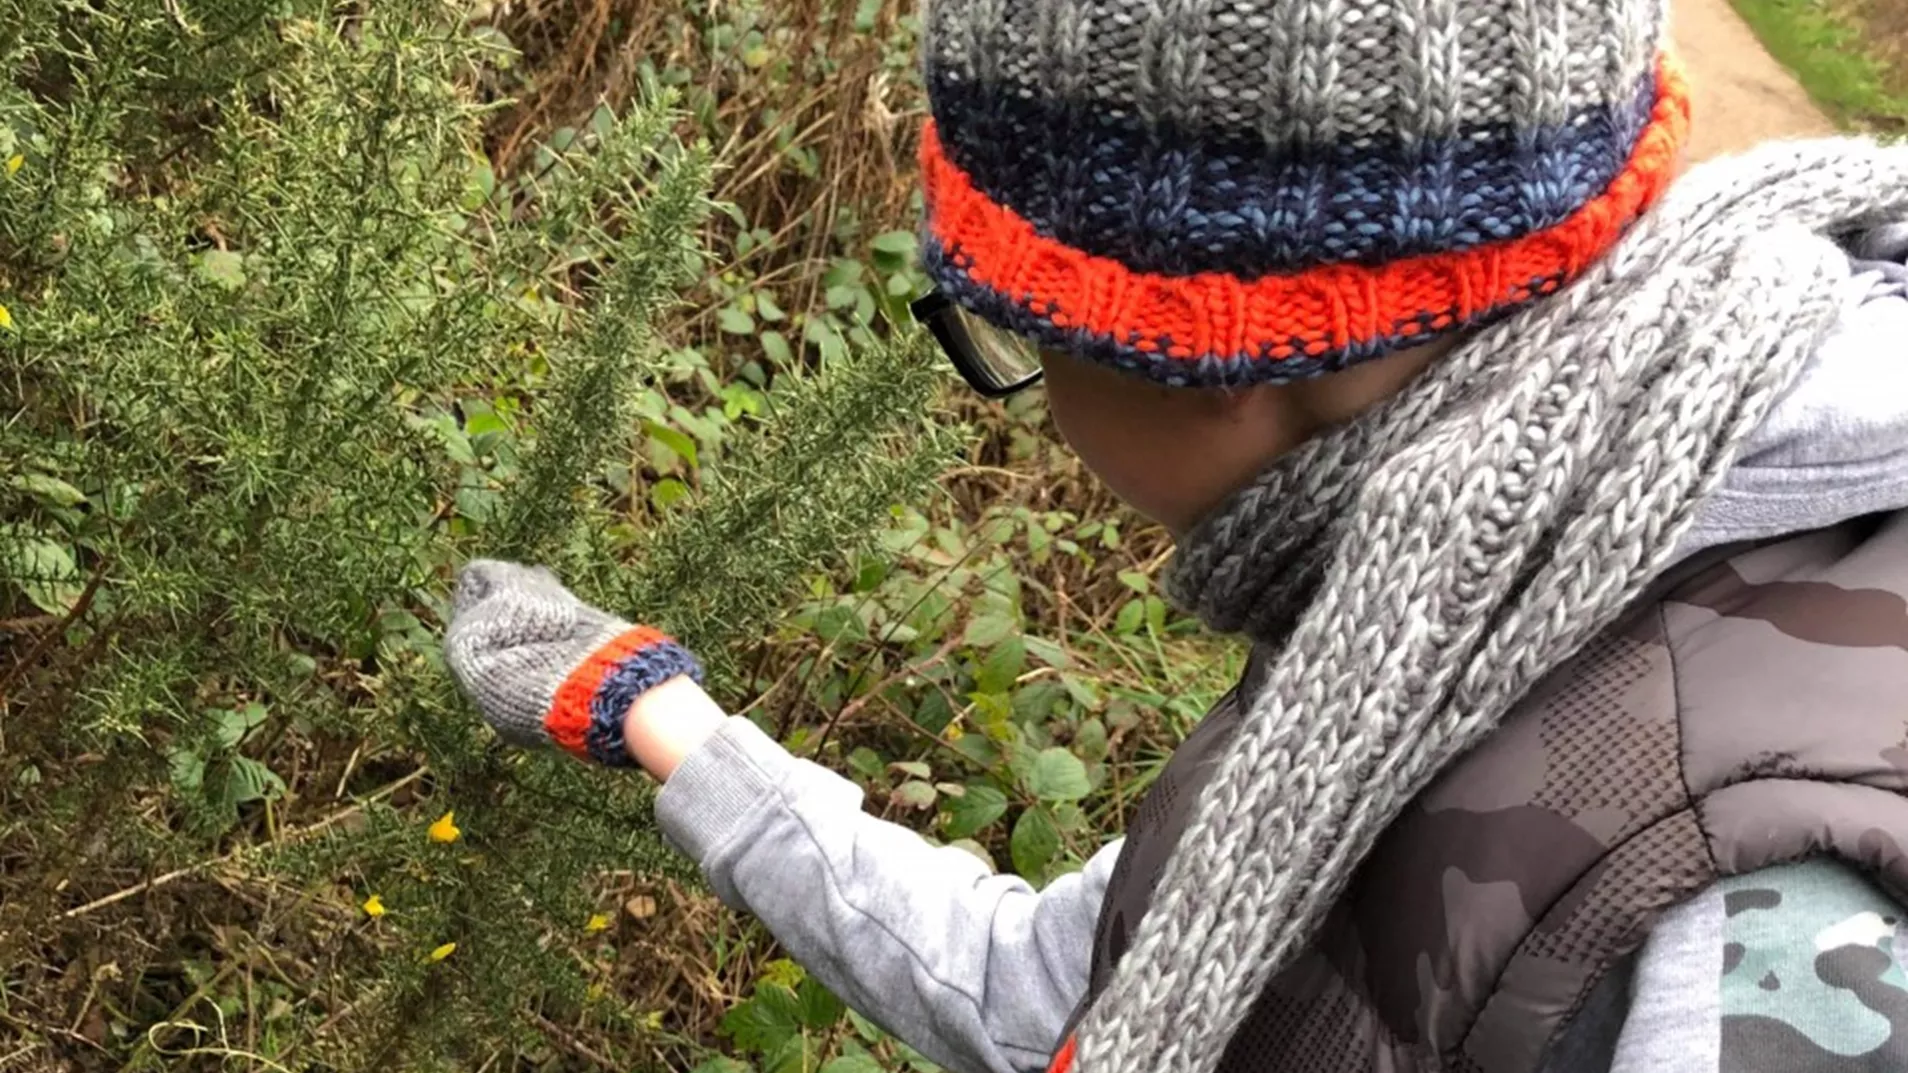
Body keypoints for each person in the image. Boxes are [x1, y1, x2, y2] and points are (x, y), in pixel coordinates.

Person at [443, 0, 1908, 1068]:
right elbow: (1060, 1003)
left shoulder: (1750, 919)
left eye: (1013, 328)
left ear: (1216, 355)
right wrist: (669, 722)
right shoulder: (1444, 603)